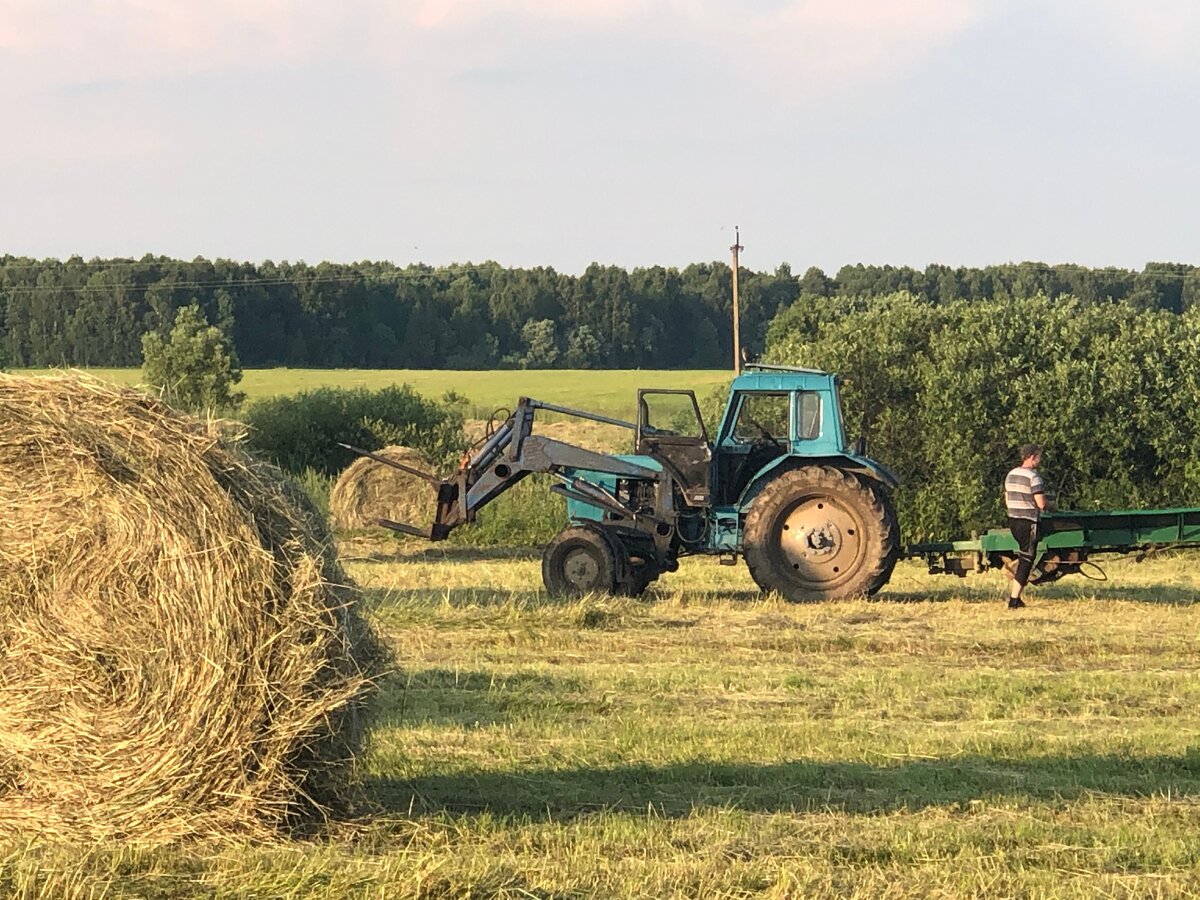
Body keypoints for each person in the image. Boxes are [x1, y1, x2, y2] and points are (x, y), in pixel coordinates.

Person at [1004, 443, 1050, 609]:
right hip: (1028, 521)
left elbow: (1007, 498)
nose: (1040, 460)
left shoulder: (1011, 474)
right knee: (1027, 559)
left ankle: (1016, 598)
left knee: (1024, 556)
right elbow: (1041, 504)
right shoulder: (1033, 477)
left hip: (1013, 520)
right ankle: (1014, 600)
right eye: (1039, 457)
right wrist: (1052, 505)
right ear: (1032, 457)